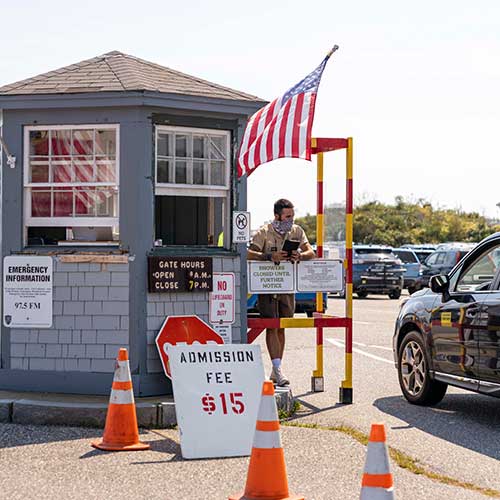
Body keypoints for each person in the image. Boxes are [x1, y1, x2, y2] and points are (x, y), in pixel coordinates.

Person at [247, 198, 315, 386]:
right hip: (268, 285)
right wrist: (269, 256)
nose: (290, 220)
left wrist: (300, 255)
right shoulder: (264, 232)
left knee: (283, 324)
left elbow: (311, 252)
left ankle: (277, 369)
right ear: (277, 216)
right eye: (287, 217)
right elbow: (249, 253)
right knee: (271, 325)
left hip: (287, 285)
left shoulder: (297, 231)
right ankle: (277, 368)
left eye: (292, 216)